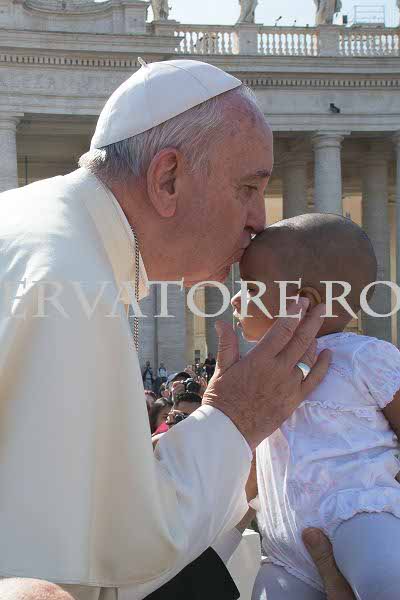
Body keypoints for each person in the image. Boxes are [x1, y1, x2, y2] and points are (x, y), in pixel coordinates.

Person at [0, 59, 330, 600]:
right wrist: (234, 420)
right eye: (248, 187)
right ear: (168, 179)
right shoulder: (67, 278)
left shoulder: (46, 230)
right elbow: (90, 571)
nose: (260, 220)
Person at [231, 213, 400, 600]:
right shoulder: (254, 373)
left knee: (386, 582)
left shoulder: (363, 357)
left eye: (250, 287)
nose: (236, 300)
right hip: (282, 543)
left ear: (304, 301)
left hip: (359, 514)